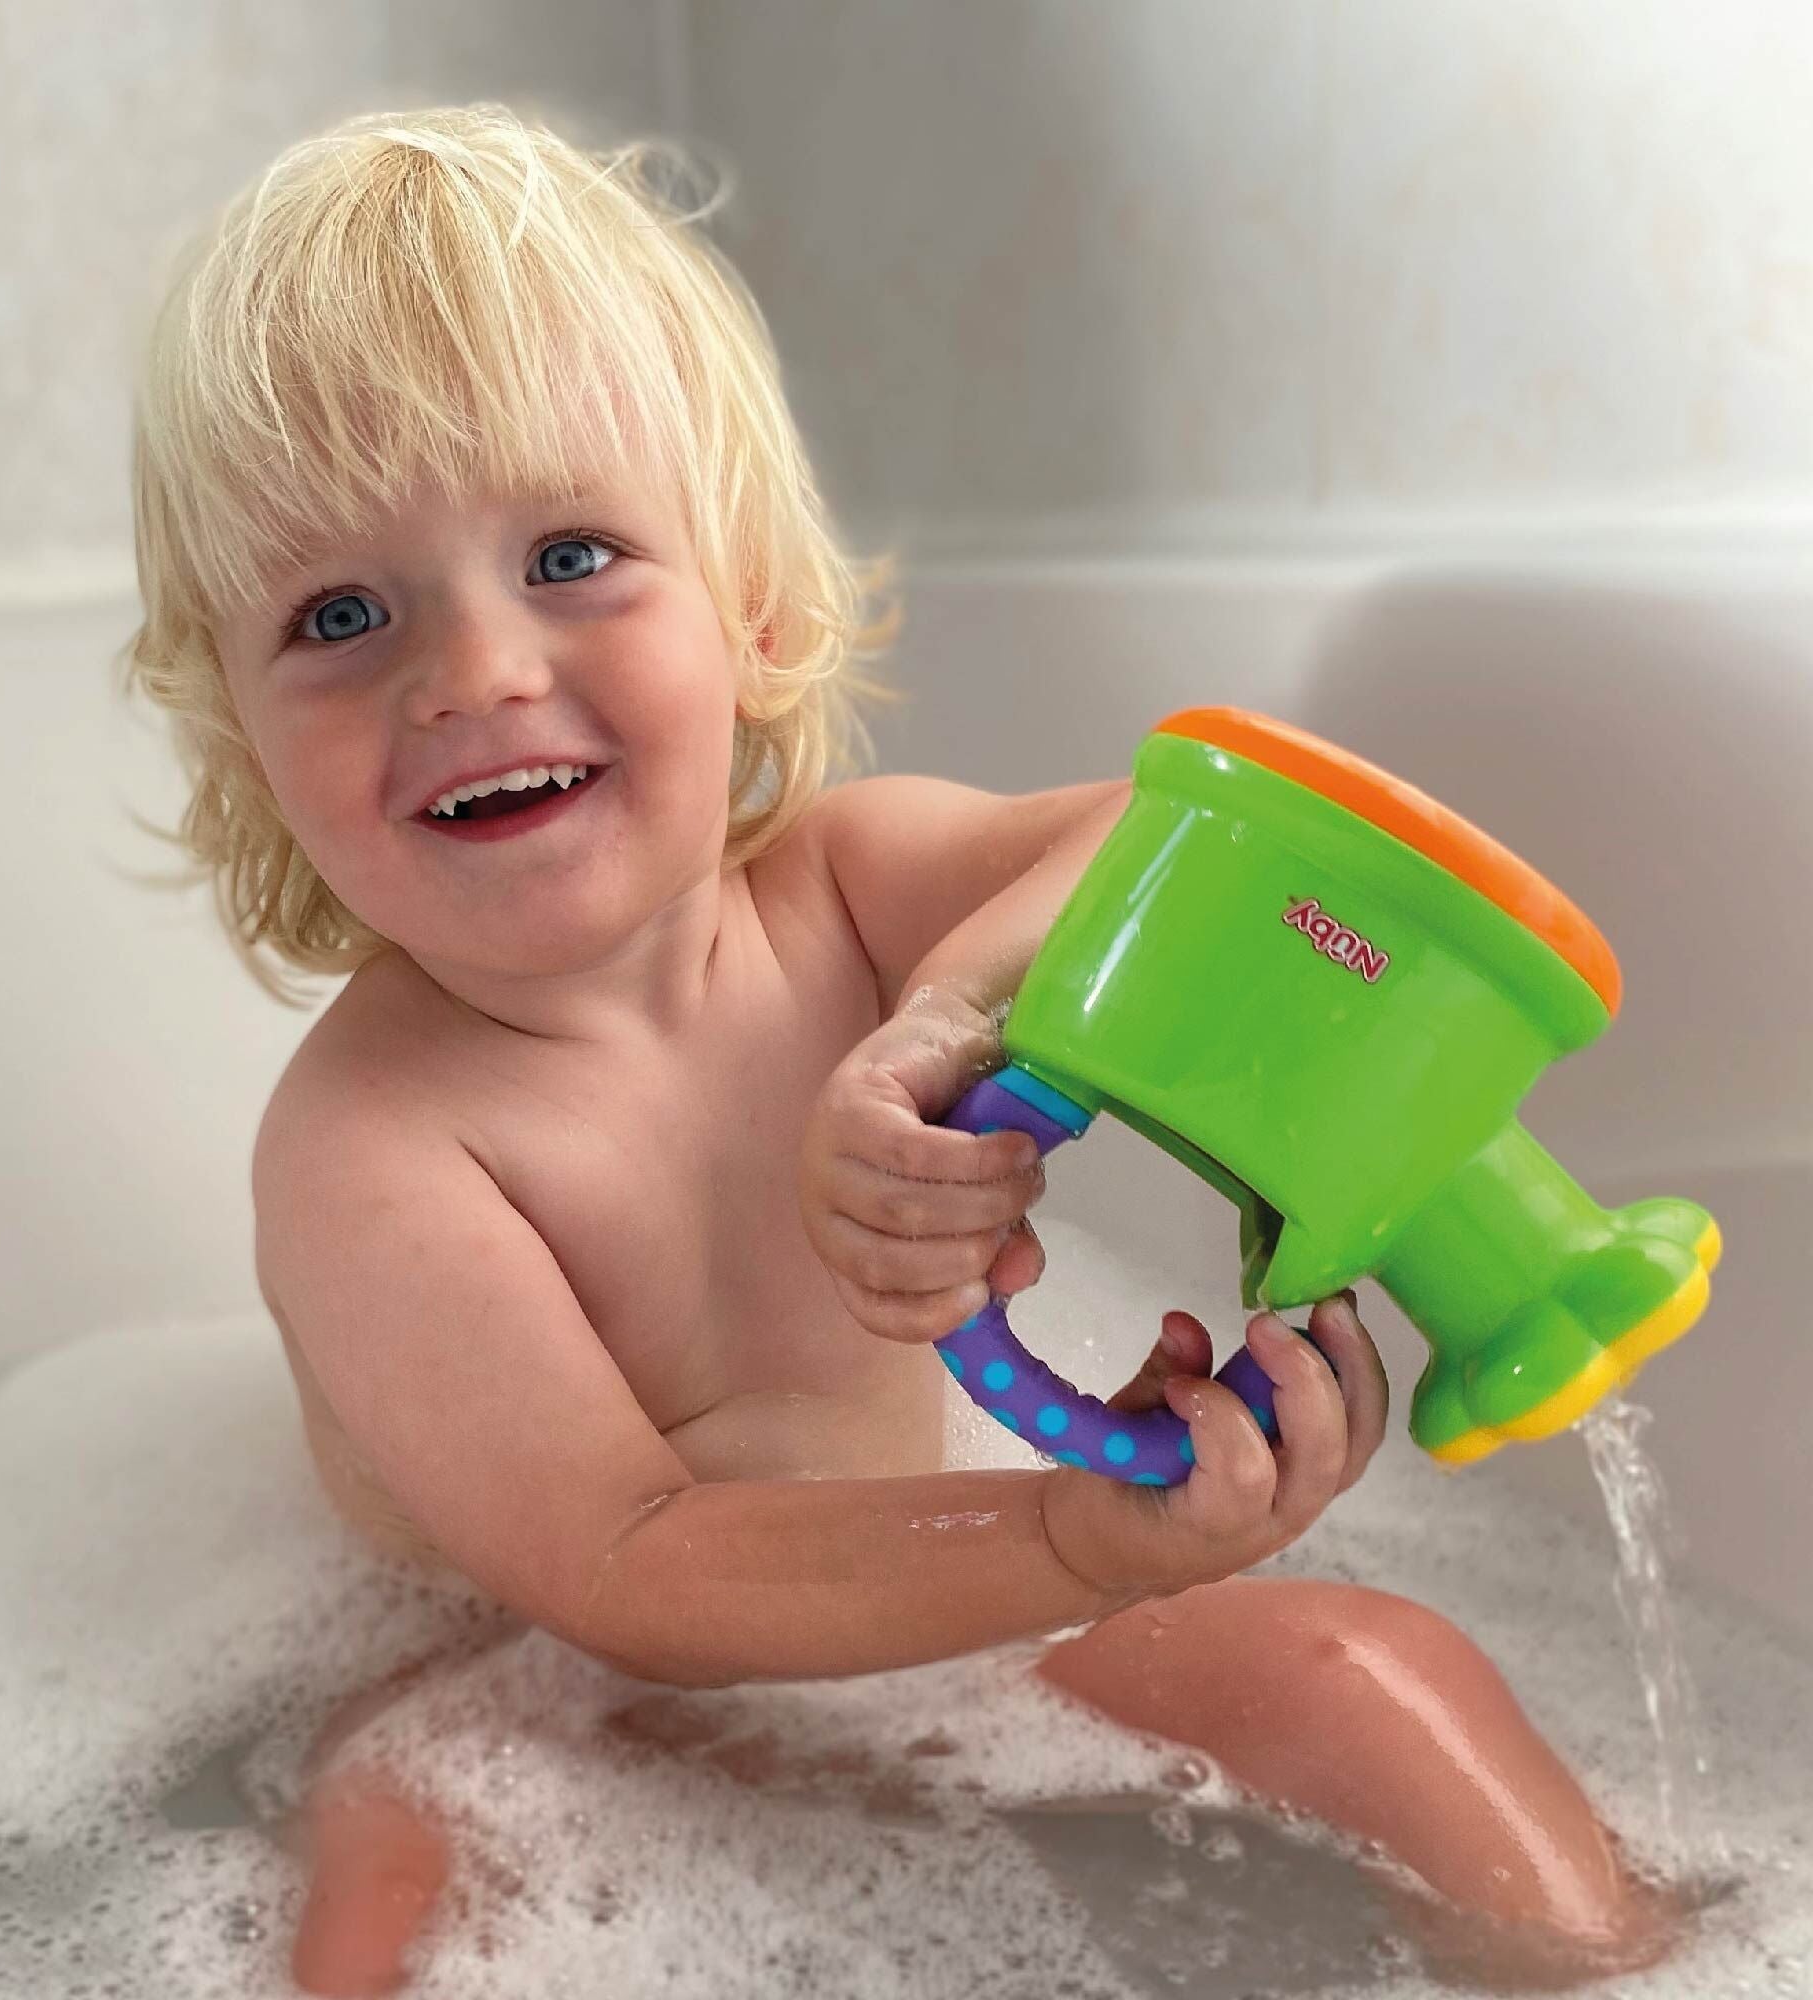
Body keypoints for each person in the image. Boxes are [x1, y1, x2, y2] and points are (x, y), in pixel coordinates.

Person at [122, 101, 1680, 1996]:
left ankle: (1634, 1968)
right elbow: (629, 1567)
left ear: (751, 609)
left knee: (1382, 1672)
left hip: (931, 1629)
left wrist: (946, 1014)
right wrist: (1082, 1539)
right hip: (543, 1713)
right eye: (339, 615)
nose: (471, 674)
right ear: (245, 741)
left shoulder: (850, 894)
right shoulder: (378, 1151)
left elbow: (1151, 839)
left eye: (572, 553)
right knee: (395, 1913)